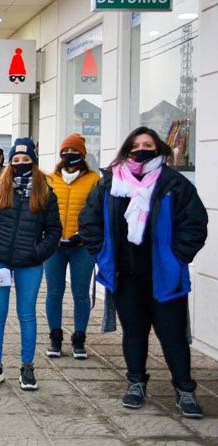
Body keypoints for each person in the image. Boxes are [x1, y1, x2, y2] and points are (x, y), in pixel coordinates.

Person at [79, 127, 208, 418]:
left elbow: (195, 223)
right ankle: (136, 383)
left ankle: (184, 389)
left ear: (158, 148)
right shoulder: (110, 184)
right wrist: (101, 253)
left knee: (173, 335)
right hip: (127, 277)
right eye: (136, 145)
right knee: (134, 334)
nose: (141, 149)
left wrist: (177, 257)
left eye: (148, 144)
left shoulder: (174, 183)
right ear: (126, 149)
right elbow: (89, 220)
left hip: (165, 275)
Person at [0, 138, 61, 391]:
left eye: (26, 160)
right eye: (16, 160)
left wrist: (39, 253)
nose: (21, 164)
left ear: (33, 162)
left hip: (29, 263)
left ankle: (27, 367)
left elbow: (55, 230)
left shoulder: (44, 191)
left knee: (27, 315)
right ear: (9, 163)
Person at [43, 133, 99, 359]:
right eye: (66, 151)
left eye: (74, 152)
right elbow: (41, 211)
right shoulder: (50, 179)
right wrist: (48, 234)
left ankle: (79, 339)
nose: (70, 155)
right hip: (54, 246)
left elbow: (97, 214)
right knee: (54, 292)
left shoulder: (94, 180)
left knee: (80, 293)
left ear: (82, 155)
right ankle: (55, 337)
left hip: (82, 246)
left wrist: (82, 235)